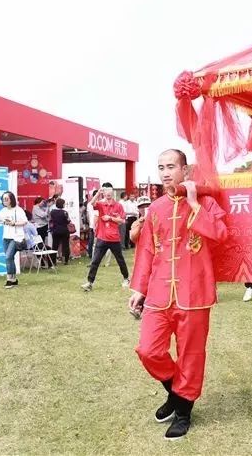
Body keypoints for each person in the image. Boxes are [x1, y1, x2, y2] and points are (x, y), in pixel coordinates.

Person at [127, 149, 228, 440]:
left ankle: (183, 412)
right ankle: (175, 392)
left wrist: (195, 205)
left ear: (186, 169)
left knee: (191, 355)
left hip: (195, 292)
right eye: (161, 167)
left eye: (171, 166)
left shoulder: (206, 202)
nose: (165, 172)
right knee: (148, 349)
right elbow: (147, 251)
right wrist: (138, 289)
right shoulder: (156, 208)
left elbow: (221, 235)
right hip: (159, 292)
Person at [81, 187, 129, 290]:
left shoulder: (118, 206)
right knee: (95, 261)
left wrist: (111, 218)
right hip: (102, 238)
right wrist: (97, 193)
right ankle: (90, 282)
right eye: (106, 193)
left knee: (120, 260)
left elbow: (122, 221)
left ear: (113, 194)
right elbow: (91, 203)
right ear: (104, 194)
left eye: (110, 193)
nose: (108, 195)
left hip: (114, 239)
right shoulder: (101, 204)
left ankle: (126, 279)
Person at [0, 191, 28, 288]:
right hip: (6, 238)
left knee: (8, 257)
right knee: (10, 258)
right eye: (3, 199)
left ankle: (9, 279)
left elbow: (25, 221)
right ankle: (13, 279)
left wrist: (14, 223)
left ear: (11, 199)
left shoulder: (18, 210)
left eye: (6, 199)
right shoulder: (3, 210)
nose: (4, 200)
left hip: (16, 238)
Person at [49, 198, 71, 265]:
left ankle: (53, 261)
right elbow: (68, 221)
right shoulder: (65, 212)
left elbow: (50, 220)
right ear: (62, 204)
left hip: (55, 231)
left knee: (54, 246)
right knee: (66, 246)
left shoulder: (52, 212)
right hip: (64, 230)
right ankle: (66, 261)